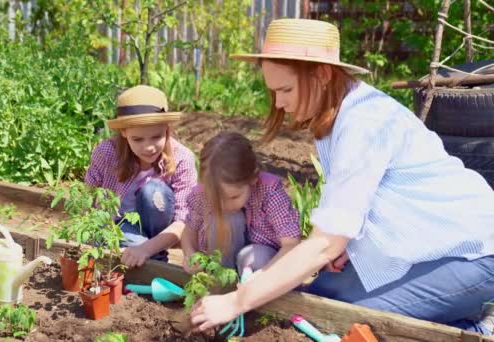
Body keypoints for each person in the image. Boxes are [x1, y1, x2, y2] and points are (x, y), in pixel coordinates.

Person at [189, 18, 494, 335]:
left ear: (322, 74)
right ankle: (462, 315)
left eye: (286, 89)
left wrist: (237, 300)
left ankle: (476, 331)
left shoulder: (363, 121)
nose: (278, 102)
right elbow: (377, 197)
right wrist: (347, 245)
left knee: (342, 324)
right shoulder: (334, 115)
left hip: (475, 253)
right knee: (316, 299)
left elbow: (323, 243)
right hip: (430, 246)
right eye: (273, 91)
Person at [84, 85, 197, 268]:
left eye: (156, 137)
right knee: (130, 244)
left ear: (167, 129)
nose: (148, 147)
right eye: (138, 139)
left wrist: (146, 248)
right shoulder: (107, 152)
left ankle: (150, 254)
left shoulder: (182, 158)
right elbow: (86, 196)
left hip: (161, 232)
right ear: (124, 132)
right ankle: (153, 262)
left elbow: (183, 221)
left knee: (153, 191)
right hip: (119, 224)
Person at [181, 131, 301, 277]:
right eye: (215, 198)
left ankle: (255, 289)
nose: (224, 205)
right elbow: (189, 231)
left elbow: (291, 243)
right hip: (223, 257)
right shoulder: (201, 194)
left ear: (253, 178)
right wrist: (190, 255)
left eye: (233, 197)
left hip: (264, 263)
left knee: (255, 255)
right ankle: (221, 279)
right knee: (225, 218)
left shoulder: (270, 191)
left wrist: (264, 274)